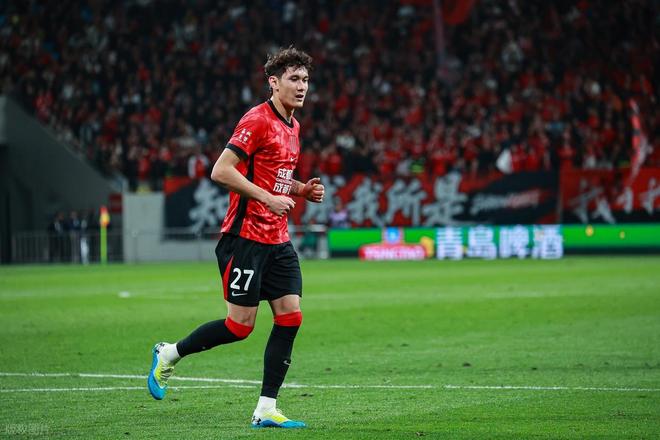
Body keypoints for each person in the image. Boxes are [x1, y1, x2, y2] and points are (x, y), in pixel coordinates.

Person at [147, 47, 324, 429]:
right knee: (240, 327)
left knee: (290, 316)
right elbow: (221, 171)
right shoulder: (257, 120)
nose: (301, 86)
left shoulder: (293, 127)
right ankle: (169, 354)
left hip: (277, 240)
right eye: (293, 79)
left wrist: (300, 190)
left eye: (306, 80)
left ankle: (266, 408)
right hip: (245, 239)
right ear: (273, 82)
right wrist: (266, 198)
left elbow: (274, 177)